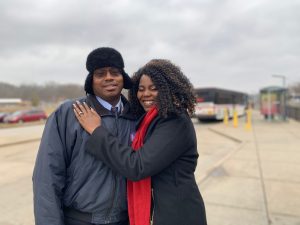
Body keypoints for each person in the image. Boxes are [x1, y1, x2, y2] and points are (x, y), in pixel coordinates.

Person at [73, 59, 207, 225]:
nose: (145, 94)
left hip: (178, 215)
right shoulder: (148, 121)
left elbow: (137, 166)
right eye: (141, 89)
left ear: (168, 90)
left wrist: (96, 131)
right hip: (160, 212)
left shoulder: (175, 121)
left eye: (154, 88)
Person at [32, 47, 137, 225]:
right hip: (79, 219)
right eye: (100, 73)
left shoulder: (135, 116)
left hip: (125, 219)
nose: (109, 77)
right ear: (91, 81)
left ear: (123, 78)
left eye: (115, 72)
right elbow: (47, 177)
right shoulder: (67, 114)